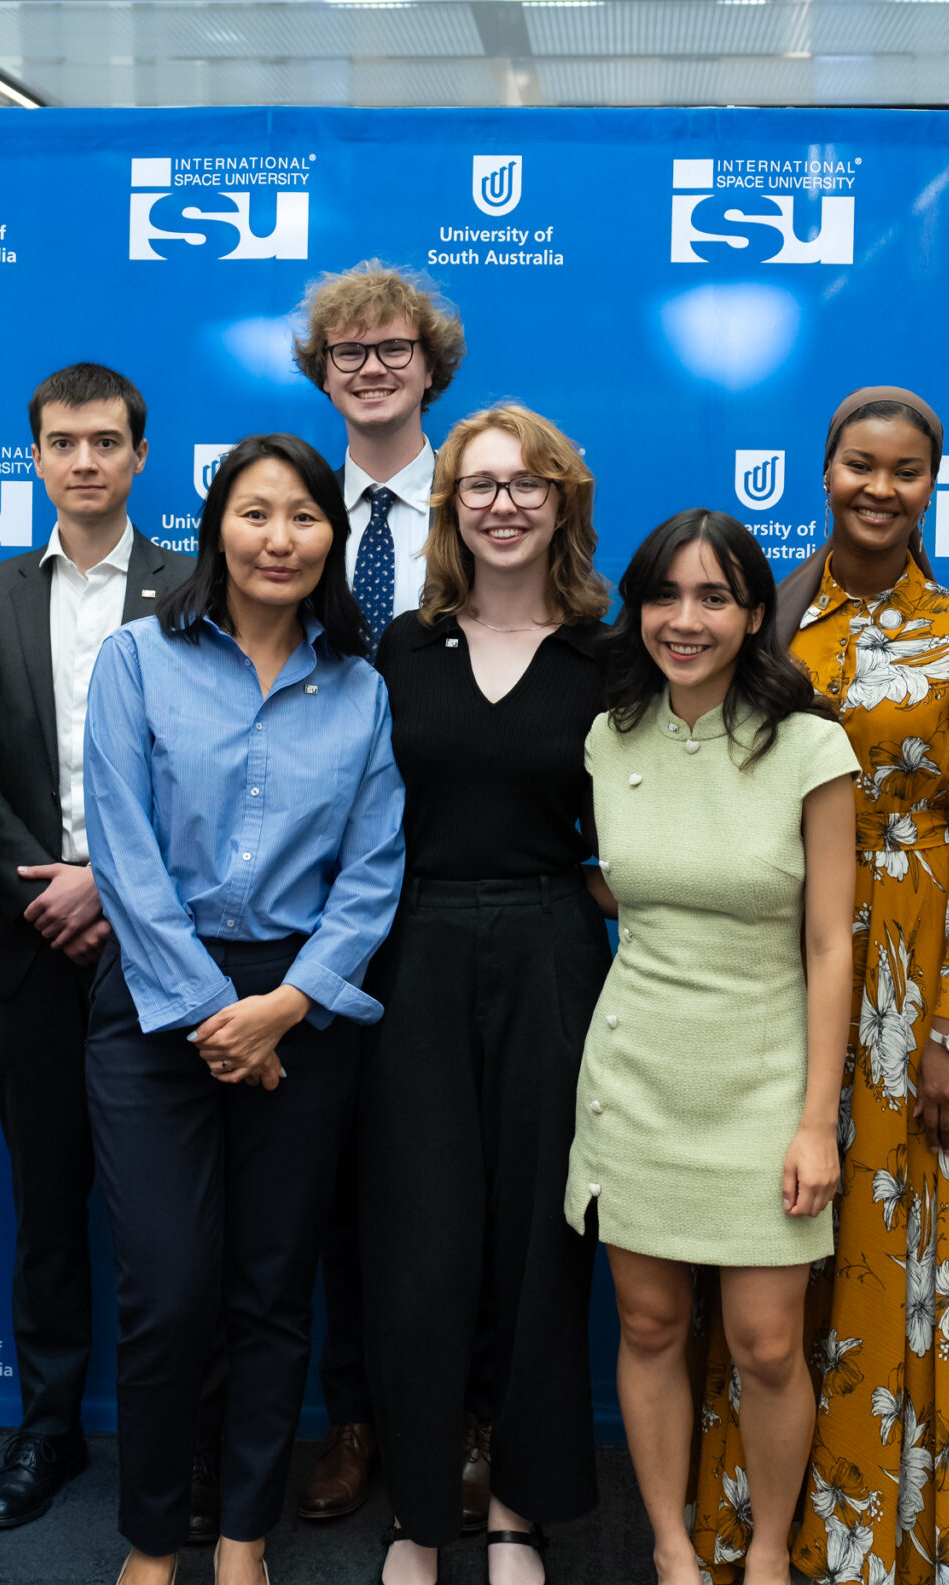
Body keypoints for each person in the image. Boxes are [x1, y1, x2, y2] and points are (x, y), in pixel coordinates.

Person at [689, 388, 949, 1584]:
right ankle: (777, 1537)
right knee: (782, 1257)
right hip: (776, 972)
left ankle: (924, 1539)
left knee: (923, 1261)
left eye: (906, 472)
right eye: (860, 465)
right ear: (824, 470)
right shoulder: (767, 627)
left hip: (922, 1000)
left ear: (931, 486)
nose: (880, 488)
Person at [82, 434, 405, 1585]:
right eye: (255, 513)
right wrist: (217, 1014)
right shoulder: (135, 658)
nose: (279, 538)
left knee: (273, 1290)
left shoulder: (363, 688)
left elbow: (373, 873)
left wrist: (285, 1008)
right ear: (217, 525)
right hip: (156, 1002)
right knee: (166, 1292)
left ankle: (241, 1535)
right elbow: (120, 849)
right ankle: (151, 1538)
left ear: (334, 539)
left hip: (299, 1012)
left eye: (305, 517)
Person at [569, 509, 858, 1585]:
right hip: (635, 1070)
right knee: (647, 1325)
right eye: (665, 596)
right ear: (636, 606)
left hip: (765, 1075)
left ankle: (770, 1552)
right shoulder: (608, 733)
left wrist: (812, 1118)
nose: (684, 621)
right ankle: (673, 1551)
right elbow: (615, 881)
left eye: (714, 598)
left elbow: (829, 943)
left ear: (751, 616)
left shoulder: (810, 744)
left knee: (765, 1344)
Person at [363, 405, 613, 1585]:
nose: (502, 503)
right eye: (478, 485)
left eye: (527, 484)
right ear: (450, 505)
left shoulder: (607, 656)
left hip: (556, 951)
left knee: (538, 1243)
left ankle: (517, 1509)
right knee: (420, 1239)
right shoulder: (403, 649)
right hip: (414, 952)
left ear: (561, 501)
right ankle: (419, 1514)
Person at [0, 362, 193, 1531]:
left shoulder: (197, 587)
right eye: (62, 441)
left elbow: (214, 771)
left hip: (167, 947)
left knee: (171, 1219)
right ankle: (45, 1429)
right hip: (28, 937)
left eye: (106, 440)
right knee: (46, 1208)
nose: (85, 460)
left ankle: (178, 1449)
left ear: (141, 455)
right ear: (35, 457)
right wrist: (40, 883)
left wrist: (113, 884)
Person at [286, 257, 468, 1516]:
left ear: (430, 363)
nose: (369, 367)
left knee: (460, 1180)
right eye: (346, 351)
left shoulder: (486, 497)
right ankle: (352, 1415)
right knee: (339, 1180)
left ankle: (459, 1422)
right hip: (310, 894)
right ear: (321, 371)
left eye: (391, 347)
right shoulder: (290, 508)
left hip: (457, 887)